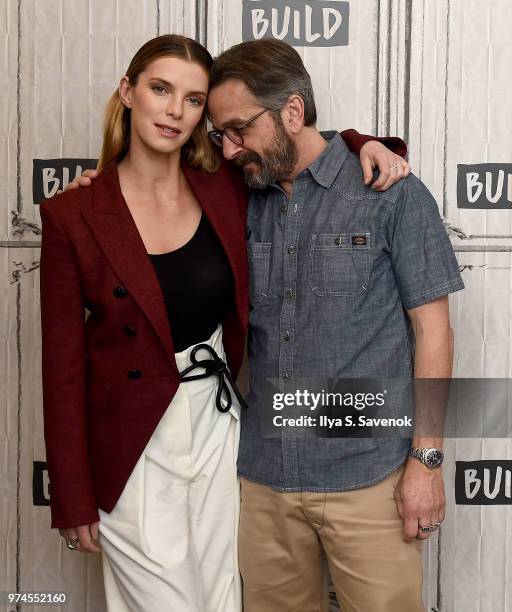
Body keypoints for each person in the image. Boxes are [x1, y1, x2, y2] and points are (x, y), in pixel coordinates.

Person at [40, 34, 408, 612]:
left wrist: (368, 143)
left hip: (220, 429)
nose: (174, 111)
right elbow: (60, 369)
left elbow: (300, 150)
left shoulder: (227, 187)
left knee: (221, 601)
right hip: (133, 444)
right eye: (160, 89)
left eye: (192, 100)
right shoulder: (72, 214)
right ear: (127, 92)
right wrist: (71, 495)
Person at [204, 39, 465, 612]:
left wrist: (425, 462)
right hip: (266, 482)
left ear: (293, 112)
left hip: (370, 480)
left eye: (240, 129)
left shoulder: (391, 195)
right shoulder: (238, 197)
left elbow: (435, 335)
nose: (228, 150)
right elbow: (149, 181)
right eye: (218, 135)